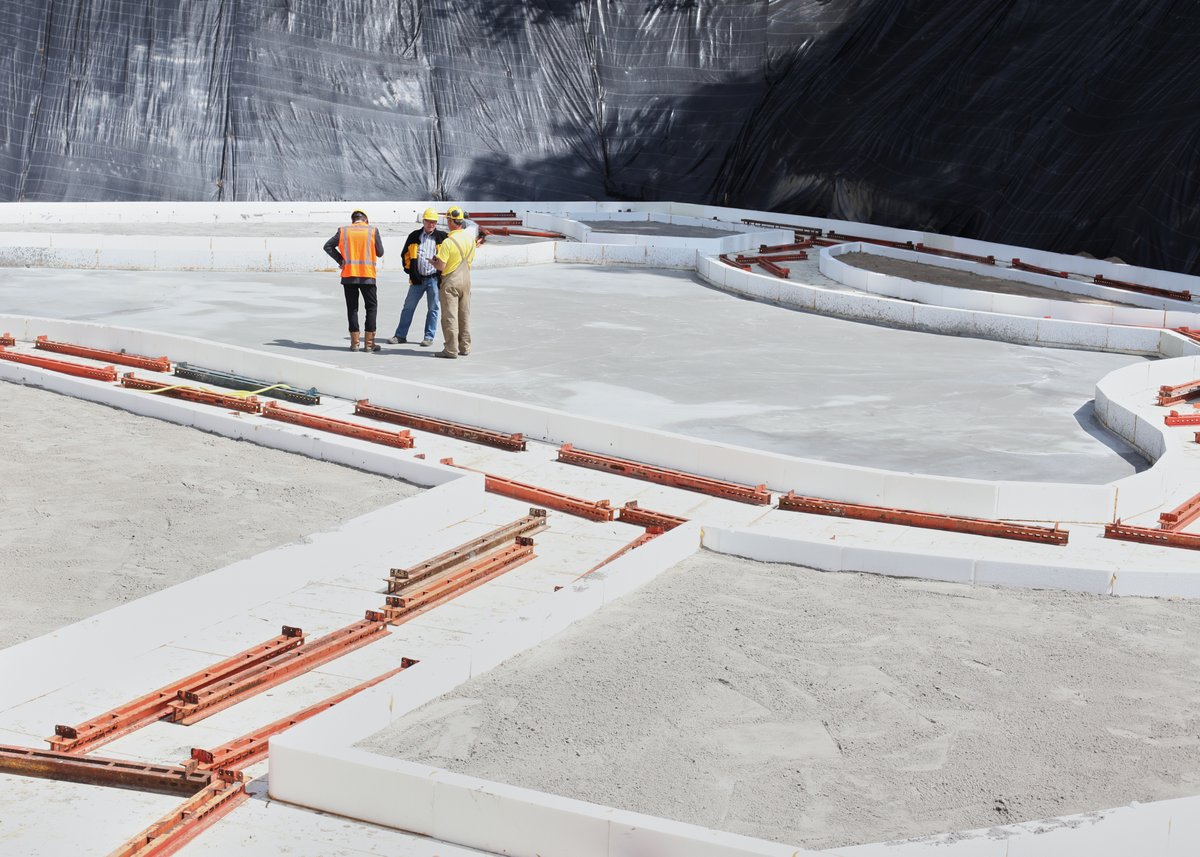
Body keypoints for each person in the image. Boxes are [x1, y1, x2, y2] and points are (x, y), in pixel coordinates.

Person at [323, 209, 385, 352]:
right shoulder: (372, 230)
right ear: (365, 220)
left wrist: (340, 259)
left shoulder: (343, 231)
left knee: (352, 308)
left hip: (349, 275)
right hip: (367, 276)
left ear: (353, 220)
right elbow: (380, 253)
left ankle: (354, 343)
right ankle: (369, 344)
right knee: (371, 308)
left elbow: (327, 246)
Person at [431, 205, 485, 359]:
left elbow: (441, 265)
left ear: (450, 221)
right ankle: (465, 347)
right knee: (464, 315)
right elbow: (470, 259)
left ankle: (450, 349)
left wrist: (434, 262)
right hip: (466, 280)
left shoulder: (448, 242)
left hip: (450, 281)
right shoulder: (470, 239)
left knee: (450, 316)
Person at [391, 208, 446, 347]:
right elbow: (405, 255)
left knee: (433, 309)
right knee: (408, 307)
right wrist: (411, 271)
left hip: (434, 279)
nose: (431, 224)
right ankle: (400, 335)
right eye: (429, 221)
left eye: (434, 222)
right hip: (417, 280)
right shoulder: (414, 236)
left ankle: (429, 337)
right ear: (424, 221)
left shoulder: (442, 237)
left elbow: (449, 257)